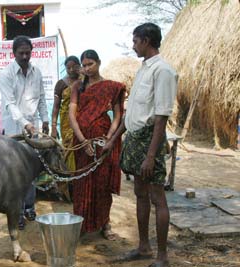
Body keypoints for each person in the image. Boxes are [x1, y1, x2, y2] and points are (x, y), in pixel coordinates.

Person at [104, 23, 178, 267]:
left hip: (150, 142)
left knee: (157, 197)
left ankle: (162, 257)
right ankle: (144, 247)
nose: (133, 45)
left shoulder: (163, 71)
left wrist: (150, 155)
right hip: (135, 139)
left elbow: (161, 117)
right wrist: (113, 139)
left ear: (146, 41)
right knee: (140, 193)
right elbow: (132, 113)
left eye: (135, 41)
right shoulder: (142, 70)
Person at [69, 49, 125, 238]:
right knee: (81, 183)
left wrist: (110, 137)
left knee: (102, 184)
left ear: (99, 63)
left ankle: (105, 224)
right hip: (82, 142)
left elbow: (118, 115)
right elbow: (72, 115)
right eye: (84, 65)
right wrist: (83, 141)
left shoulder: (111, 87)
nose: (87, 68)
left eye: (90, 64)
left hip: (103, 141)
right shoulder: (78, 86)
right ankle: (81, 225)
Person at [0, 35, 49, 230]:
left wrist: (44, 119)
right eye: (21, 53)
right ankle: (17, 211)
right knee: (15, 173)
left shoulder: (37, 73)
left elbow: (42, 98)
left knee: (31, 170)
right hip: (14, 130)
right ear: (14, 54)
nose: (25, 56)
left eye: (28, 52)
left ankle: (29, 207)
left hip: (33, 129)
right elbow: (10, 103)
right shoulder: (7, 74)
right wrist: (25, 123)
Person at [50, 56, 81, 201]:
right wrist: (53, 127)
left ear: (79, 66)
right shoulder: (61, 84)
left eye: (74, 66)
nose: (71, 70)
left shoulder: (85, 81)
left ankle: (81, 187)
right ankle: (69, 191)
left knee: (81, 152)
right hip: (66, 123)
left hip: (82, 121)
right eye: (68, 67)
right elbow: (56, 107)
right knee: (69, 153)